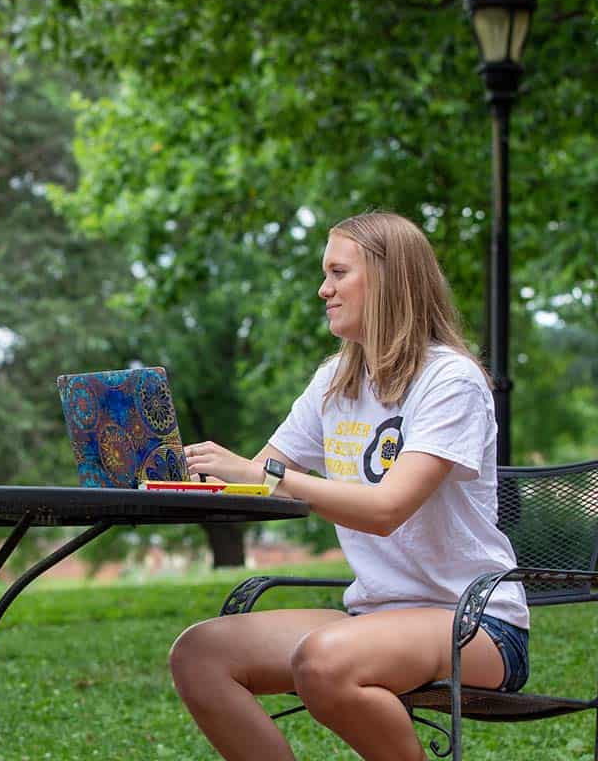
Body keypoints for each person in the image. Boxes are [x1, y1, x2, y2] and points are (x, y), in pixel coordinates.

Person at [169, 212, 529, 761]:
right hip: (372, 619)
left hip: (474, 621)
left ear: (387, 280)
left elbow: (387, 509)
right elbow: (259, 482)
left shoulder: (449, 381)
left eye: (338, 273)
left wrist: (262, 476)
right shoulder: (335, 379)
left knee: (324, 661)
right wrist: (168, 477)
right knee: (199, 654)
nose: (323, 289)